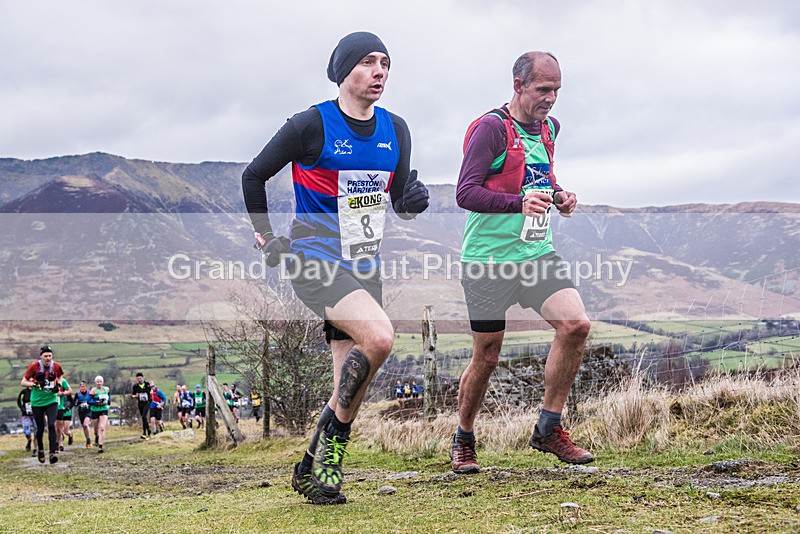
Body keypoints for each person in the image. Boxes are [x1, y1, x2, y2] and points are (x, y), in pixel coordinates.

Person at [242, 31, 429, 505]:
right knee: (381, 338)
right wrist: (265, 236)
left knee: (352, 378)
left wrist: (413, 200)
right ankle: (317, 462)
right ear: (344, 71)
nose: (380, 72)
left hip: (365, 264)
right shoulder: (312, 125)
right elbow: (254, 175)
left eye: (386, 63)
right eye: (369, 62)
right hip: (314, 259)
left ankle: (317, 469)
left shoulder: (396, 129)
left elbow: (399, 201)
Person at [451, 51, 593, 474]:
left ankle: (548, 428)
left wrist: (561, 195)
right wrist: (518, 203)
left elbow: (541, 177)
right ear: (518, 85)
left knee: (576, 325)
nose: (551, 98)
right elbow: (465, 193)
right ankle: (463, 437)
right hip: (488, 261)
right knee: (488, 355)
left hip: (535, 254)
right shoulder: (492, 129)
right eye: (543, 89)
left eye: (556, 91)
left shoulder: (550, 129)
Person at [20, 345, 64, 464]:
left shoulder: (56, 366)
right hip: (37, 402)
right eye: (45, 356)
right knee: (40, 428)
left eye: (50, 356)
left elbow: (60, 376)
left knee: (51, 425)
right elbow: (23, 382)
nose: (48, 358)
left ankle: (52, 452)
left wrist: (58, 385)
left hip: (51, 400)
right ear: (41, 356)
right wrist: (34, 384)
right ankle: (40, 450)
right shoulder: (34, 366)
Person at [89, 375, 111, 454]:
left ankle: (100, 446)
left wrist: (108, 401)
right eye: (97, 382)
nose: (99, 383)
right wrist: (96, 402)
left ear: (103, 382)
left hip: (104, 410)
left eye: (100, 381)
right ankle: (96, 436)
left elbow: (109, 397)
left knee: (102, 428)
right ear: (95, 383)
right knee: (96, 430)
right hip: (95, 411)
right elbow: (89, 401)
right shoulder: (93, 390)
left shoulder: (106, 389)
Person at [55, 377, 74, 452]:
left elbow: (73, 403)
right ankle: (61, 444)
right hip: (60, 411)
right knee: (59, 429)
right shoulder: (56, 394)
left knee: (66, 431)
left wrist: (67, 408)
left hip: (67, 413)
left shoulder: (67, 394)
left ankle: (70, 435)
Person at [131, 372, 152, 440]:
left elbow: (150, 391)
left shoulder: (147, 384)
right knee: (144, 418)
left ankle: (144, 433)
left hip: (147, 402)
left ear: (142, 378)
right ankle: (148, 430)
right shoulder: (135, 386)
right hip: (140, 403)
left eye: (140, 378)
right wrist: (135, 396)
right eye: (138, 378)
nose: (139, 379)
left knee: (144, 416)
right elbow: (132, 395)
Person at [74, 381, 94, 448]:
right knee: (84, 427)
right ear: (79, 387)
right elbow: (74, 402)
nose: (83, 388)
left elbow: (93, 399)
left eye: (84, 386)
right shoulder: (77, 394)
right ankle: (87, 440)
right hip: (81, 412)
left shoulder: (89, 392)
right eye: (81, 387)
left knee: (86, 424)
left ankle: (89, 439)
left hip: (88, 411)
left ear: (86, 387)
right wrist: (76, 404)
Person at [16, 386, 36, 452]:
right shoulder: (23, 392)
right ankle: (29, 440)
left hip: (35, 414)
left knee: (37, 429)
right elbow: (18, 401)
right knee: (27, 431)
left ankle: (36, 446)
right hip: (25, 414)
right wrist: (22, 408)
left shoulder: (36, 391)